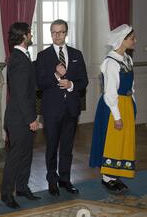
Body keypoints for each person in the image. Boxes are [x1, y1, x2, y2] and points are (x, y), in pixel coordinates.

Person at [36, 19, 88, 196]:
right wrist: (56, 74)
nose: (57, 35)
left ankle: (65, 179)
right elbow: (39, 84)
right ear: (50, 33)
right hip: (51, 110)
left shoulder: (76, 54)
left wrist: (71, 84)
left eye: (61, 32)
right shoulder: (43, 56)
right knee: (51, 147)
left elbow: (84, 81)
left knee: (67, 147)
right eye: (54, 32)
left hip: (71, 109)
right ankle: (52, 181)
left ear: (66, 33)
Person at [89, 24, 137, 193]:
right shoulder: (111, 62)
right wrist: (116, 116)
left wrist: (133, 104)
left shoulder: (127, 59)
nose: (134, 41)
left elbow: (132, 86)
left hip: (126, 104)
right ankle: (107, 177)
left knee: (123, 140)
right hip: (113, 106)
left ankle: (115, 175)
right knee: (112, 141)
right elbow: (110, 92)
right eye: (132, 38)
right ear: (122, 41)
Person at [1, 22, 41, 209]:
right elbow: (19, 93)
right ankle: (6, 194)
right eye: (30, 33)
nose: (31, 36)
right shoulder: (18, 59)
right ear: (24, 36)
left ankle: (22, 187)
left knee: (26, 154)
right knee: (16, 157)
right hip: (19, 119)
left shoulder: (22, 56)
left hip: (23, 115)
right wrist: (30, 119)